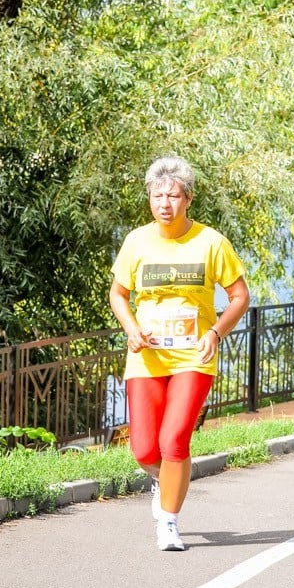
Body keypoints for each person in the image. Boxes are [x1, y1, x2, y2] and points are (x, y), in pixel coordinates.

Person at [109, 156, 250, 551]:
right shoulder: (137, 241)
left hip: (193, 357)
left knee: (174, 441)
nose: (164, 203)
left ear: (188, 198)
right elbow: (118, 295)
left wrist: (216, 332)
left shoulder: (211, 242)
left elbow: (239, 296)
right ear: (150, 199)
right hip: (147, 357)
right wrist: (131, 329)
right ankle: (165, 479)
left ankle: (168, 522)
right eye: (157, 196)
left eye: (173, 195)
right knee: (143, 449)